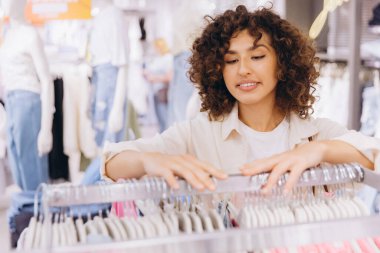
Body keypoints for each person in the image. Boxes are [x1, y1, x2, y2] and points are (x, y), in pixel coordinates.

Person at [102, 5, 379, 194]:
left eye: (257, 57)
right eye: (231, 60)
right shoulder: (199, 133)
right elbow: (111, 162)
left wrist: (321, 151)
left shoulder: (317, 134)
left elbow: (374, 156)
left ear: (282, 64)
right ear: (218, 71)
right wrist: (148, 161)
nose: (243, 69)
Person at [0, 0, 55, 246]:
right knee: (19, 172)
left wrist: (46, 127)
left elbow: (46, 79)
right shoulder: (7, 34)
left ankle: (41, 237)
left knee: (33, 176)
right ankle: (28, 234)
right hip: (11, 102)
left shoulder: (30, 34)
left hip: (28, 100)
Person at [81, 0, 129, 185]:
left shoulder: (114, 15)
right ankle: (93, 199)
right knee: (101, 147)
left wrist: (117, 108)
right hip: (99, 85)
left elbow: (123, 65)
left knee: (108, 152)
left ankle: (87, 193)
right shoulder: (99, 17)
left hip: (110, 89)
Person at [143, 38, 173, 133]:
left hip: (163, 91)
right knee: (159, 119)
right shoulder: (157, 59)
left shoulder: (168, 58)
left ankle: (167, 139)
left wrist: (154, 78)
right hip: (155, 92)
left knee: (164, 118)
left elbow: (169, 77)